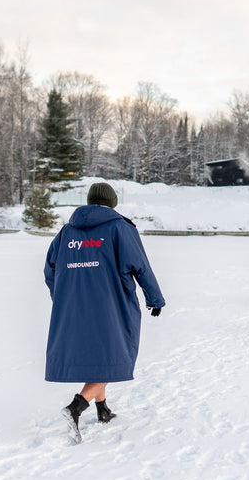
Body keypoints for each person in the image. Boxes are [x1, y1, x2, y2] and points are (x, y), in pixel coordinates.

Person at [44, 182, 165, 443]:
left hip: (75, 308)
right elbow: (140, 266)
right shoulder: (119, 227)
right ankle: (76, 407)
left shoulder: (67, 231)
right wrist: (154, 298)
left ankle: (102, 409)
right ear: (112, 203)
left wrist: (62, 297)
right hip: (111, 305)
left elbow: (50, 269)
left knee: (101, 355)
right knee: (115, 355)